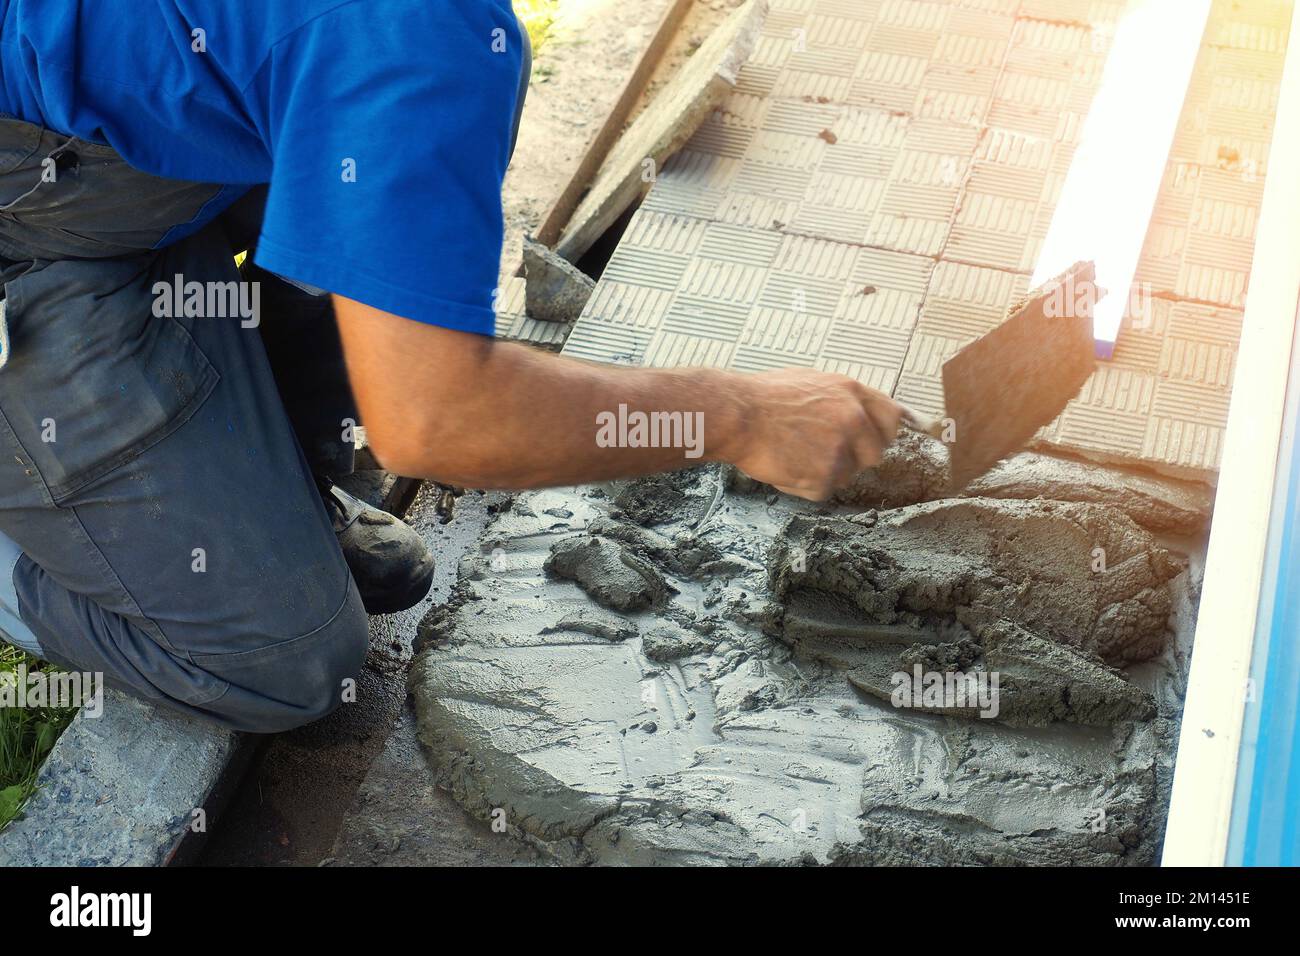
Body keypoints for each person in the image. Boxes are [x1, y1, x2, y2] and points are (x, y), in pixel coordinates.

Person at [0, 0, 901, 732]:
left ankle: (240, 483)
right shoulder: (414, 32)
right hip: (30, 221)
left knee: (377, 209)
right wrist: (745, 418)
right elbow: (438, 421)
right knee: (284, 661)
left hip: (85, 162)